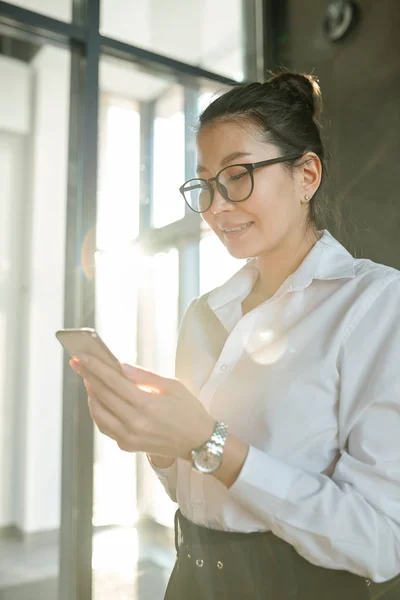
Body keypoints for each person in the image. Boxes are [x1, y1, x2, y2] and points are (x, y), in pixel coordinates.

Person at [70, 72, 400, 599]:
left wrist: (208, 441)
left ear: (307, 175)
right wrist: (158, 445)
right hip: (191, 579)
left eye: (238, 175)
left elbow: (381, 542)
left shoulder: (374, 304)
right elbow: (194, 494)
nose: (217, 206)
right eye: (204, 184)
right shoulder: (205, 313)